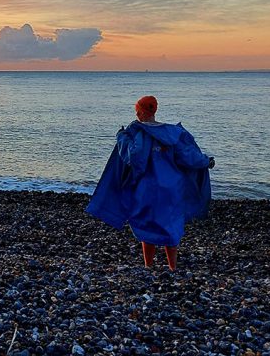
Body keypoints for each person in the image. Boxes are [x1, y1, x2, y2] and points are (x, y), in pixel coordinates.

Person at [86, 95, 215, 270]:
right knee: (171, 226)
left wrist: (121, 137)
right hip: (172, 188)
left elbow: (134, 157)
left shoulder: (140, 134)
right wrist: (206, 161)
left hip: (147, 188)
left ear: (139, 112)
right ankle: (172, 267)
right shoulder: (172, 133)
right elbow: (188, 157)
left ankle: (149, 266)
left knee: (147, 225)